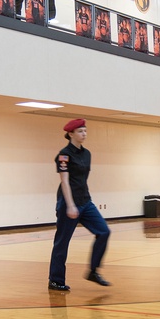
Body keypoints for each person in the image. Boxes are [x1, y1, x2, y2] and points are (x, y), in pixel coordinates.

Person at [48, 119, 112, 292]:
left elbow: (82, 180)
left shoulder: (87, 154)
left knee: (104, 231)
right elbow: (65, 181)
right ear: (71, 134)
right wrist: (70, 205)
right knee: (62, 242)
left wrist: (83, 201)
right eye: (80, 131)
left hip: (85, 201)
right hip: (68, 202)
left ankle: (93, 271)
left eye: (85, 131)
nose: (84, 134)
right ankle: (55, 280)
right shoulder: (63, 155)